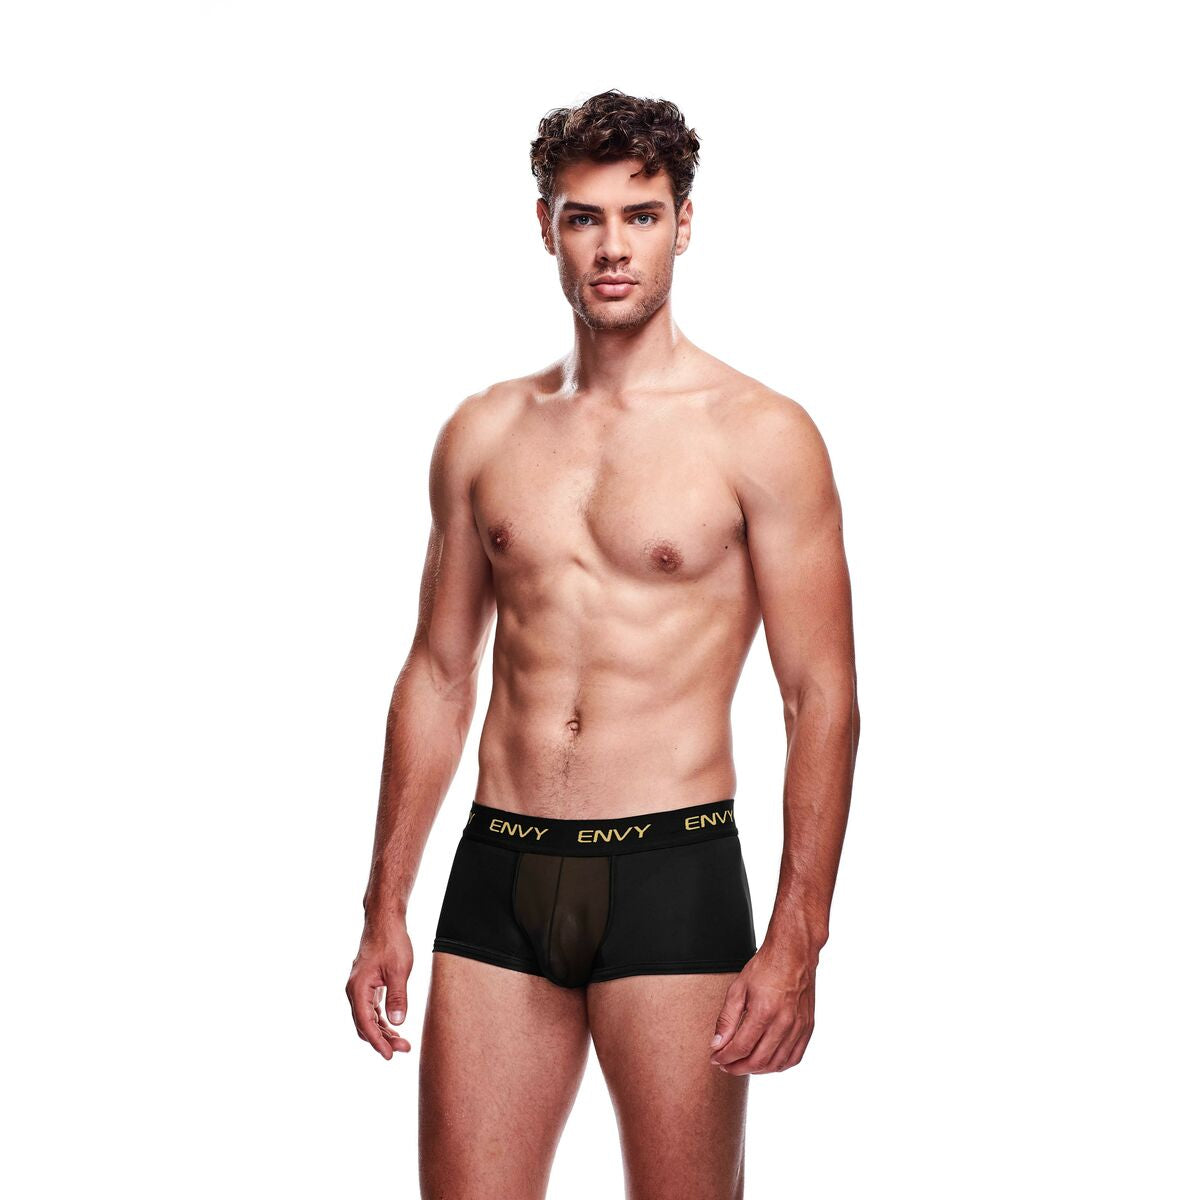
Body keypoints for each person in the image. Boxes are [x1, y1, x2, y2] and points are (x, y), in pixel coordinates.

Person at [346, 88, 861, 1200]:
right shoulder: (485, 431)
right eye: (585, 217)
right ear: (547, 227)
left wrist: (798, 938)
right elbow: (438, 673)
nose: (613, 246)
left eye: (641, 215)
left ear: (684, 223)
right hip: (498, 869)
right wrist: (383, 900)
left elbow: (820, 696)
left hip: (672, 870)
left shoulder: (761, 435)